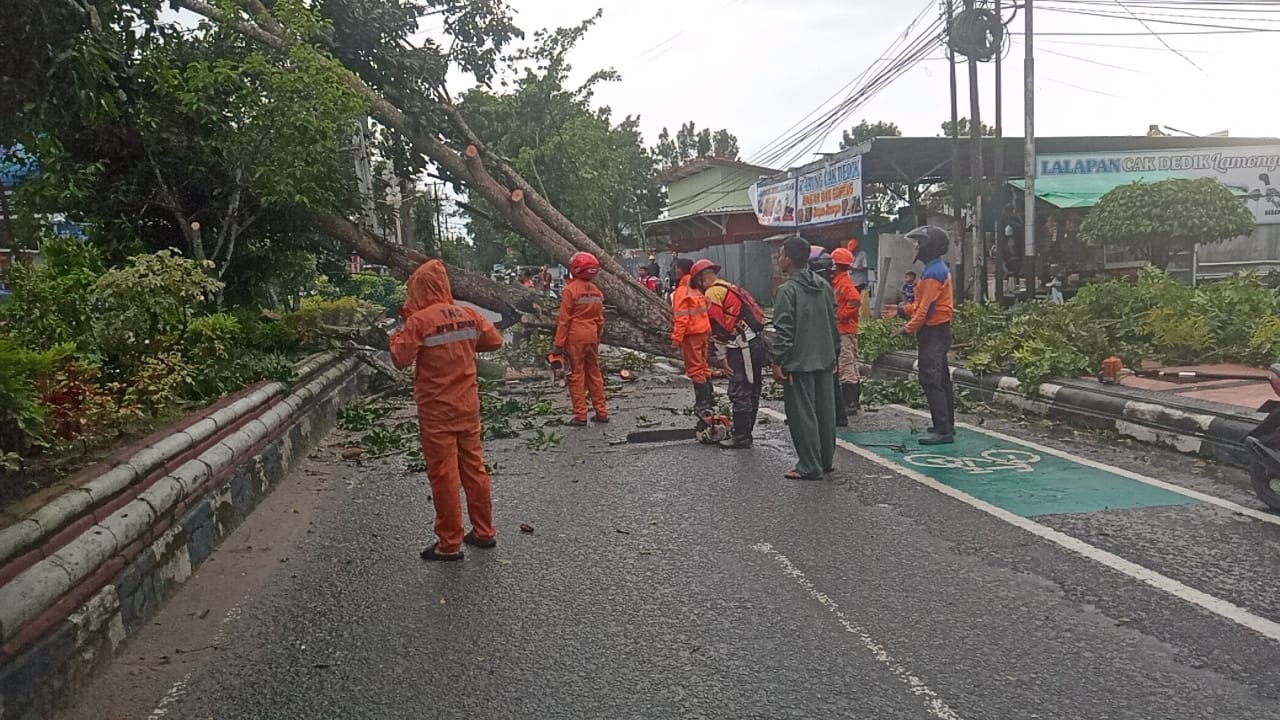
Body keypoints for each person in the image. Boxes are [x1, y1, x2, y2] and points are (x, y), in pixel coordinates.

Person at [390, 260, 504, 562]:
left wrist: (398, 332)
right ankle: (484, 531)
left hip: (437, 411)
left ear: (419, 288)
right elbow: (495, 341)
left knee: (444, 475)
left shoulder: (419, 321)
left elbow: (400, 358)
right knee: (475, 469)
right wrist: (465, 349)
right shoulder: (468, 315)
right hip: (468, 406)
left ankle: (449, 543)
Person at [773, 236, 841, 480]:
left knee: (803, 416)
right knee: (825, 413)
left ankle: (809, 466)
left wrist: (779, 360)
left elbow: (784, 329)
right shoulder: (823, 285)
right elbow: (834, 324)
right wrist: (835, 354)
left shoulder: (787, 290)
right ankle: (825, 460)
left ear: (789, 260)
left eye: (781, 255)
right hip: (824, 357)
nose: (779, 259)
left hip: (799, 361)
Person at [689, 258, 768, 449]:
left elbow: (719, 329)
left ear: (700, 279)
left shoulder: (712, 293)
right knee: (753, 389)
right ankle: (745, 432)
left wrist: (722, 357)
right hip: (755, 343)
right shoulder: (729, 286)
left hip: (741, 348)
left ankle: (741, 437)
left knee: (739, 390)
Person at [896, 226, 956, 446]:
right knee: (941, 379)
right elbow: (923, 305)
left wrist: (907, 328)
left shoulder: (933, 272)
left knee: (930, 378)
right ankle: (947, 425)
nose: (917, 247)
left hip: (933, 331)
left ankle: (943, 429)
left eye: (920, 243)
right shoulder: (935, 268)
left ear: (930, 246)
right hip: (938, 329)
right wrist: (903, 310)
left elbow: (925, 309)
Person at [554, 252, 609, 427]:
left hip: (575, 338)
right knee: (595, 375)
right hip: (592, 336)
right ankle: (601, 412)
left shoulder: (570, 290)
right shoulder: (597, 292)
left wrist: (558, 345)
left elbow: (564, 320)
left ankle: (580, 415)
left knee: (576, 376)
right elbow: (600, 319)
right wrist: (597, 338)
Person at [807, 247, 849, 428]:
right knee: (831, 379)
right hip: (831, 339)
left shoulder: (818, 287)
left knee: (821, 381)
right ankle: (838, 416)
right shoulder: (826, 286)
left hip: (823, 341)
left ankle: (830, 416)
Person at [670, 257, 714, 410]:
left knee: (695, 368)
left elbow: (681, 318)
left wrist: (676, 339)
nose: (675, 271)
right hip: (703, 332)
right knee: (703, 365)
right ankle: (710, 398)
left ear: (681, 270)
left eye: (676, 268)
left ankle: (702, 403)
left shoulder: (682, 291)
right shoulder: (696, 288)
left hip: (692, 334)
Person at [831, 248, 864, 415]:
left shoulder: (843, 282)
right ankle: (853, 400)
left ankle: (850, 402)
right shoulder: (840, 280)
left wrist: (841, 316)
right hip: (846, 328)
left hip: (845, 329)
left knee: (845, 364)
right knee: (850, 363)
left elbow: (855, 300)